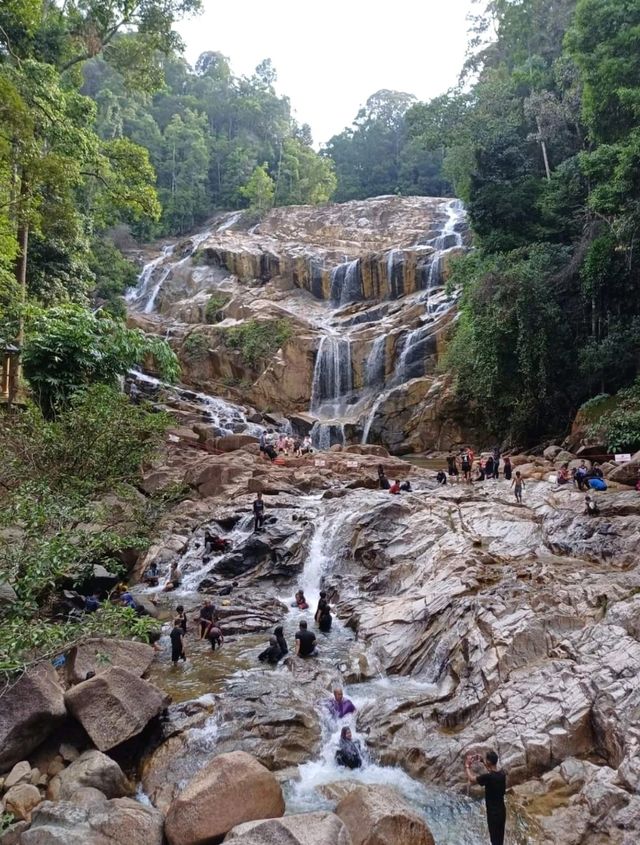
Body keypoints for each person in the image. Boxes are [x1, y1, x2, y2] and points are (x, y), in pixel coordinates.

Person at [465, 750, 506, 845]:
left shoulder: (488, 777)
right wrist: (483, 761)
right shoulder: (502, 774)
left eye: (486, 759)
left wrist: (467, 766)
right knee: (500, 840)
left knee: (494, 841)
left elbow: (471, 779)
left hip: (493, 814)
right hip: (502, 812)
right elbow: (493, 772)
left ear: (489, 762)